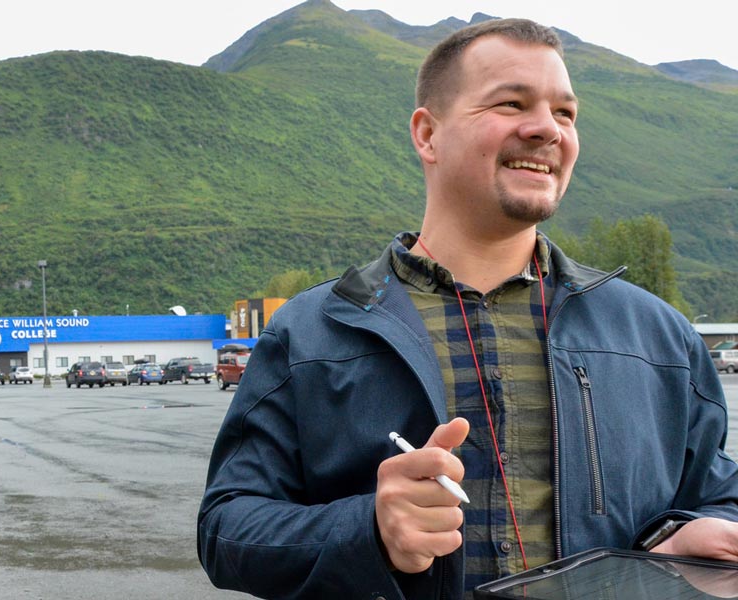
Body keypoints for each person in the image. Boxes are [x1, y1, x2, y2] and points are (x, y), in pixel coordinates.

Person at [197, 17, 738, 600]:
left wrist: (685, 532)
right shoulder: (310, 333)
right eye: (511, 103)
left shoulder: (659, 335)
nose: (547, 130)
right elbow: (227, 528)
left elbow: (716, 489)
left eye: (565, 113)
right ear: (428, 135)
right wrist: (369, 529)